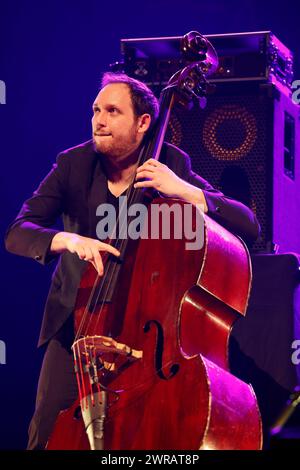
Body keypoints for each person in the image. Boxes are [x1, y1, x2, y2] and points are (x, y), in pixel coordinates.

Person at [5, 72, 260, 450]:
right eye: (95, 110)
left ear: (143, 123)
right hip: (79, 325)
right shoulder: (73, 164)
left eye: (112, 111)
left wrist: (186, 191)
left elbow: (248, 225)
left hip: (145, 328)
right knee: (46, 430)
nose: (99, 120)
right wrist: (67, 239)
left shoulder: (170, 162)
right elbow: (18, 231)